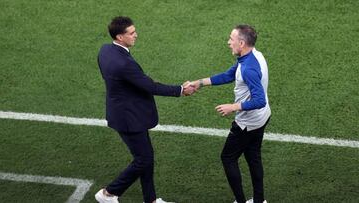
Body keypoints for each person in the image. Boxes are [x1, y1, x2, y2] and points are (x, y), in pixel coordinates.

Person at [95, 16, 195, 203]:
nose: (136, 35)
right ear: (119, 37)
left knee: (145, 157)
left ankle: (150, 200)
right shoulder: (124, 63)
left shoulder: (105, 50)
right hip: (129, 118)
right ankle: (108, 193)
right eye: (131, 33)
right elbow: (150, 86)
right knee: (144, 160)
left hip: (122, 113)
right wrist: (181, 90)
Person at [189, 25, 271, 203]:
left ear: (241, 43)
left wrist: (233, 107)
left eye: (231, 39)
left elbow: (259, 100)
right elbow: (229, 75)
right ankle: (259, 200)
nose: (228, 43)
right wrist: (200, 82)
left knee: (228, 157)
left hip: (247, 123)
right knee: (253, 156)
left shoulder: (248, 68)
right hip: (262, 118)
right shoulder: (255, 55)